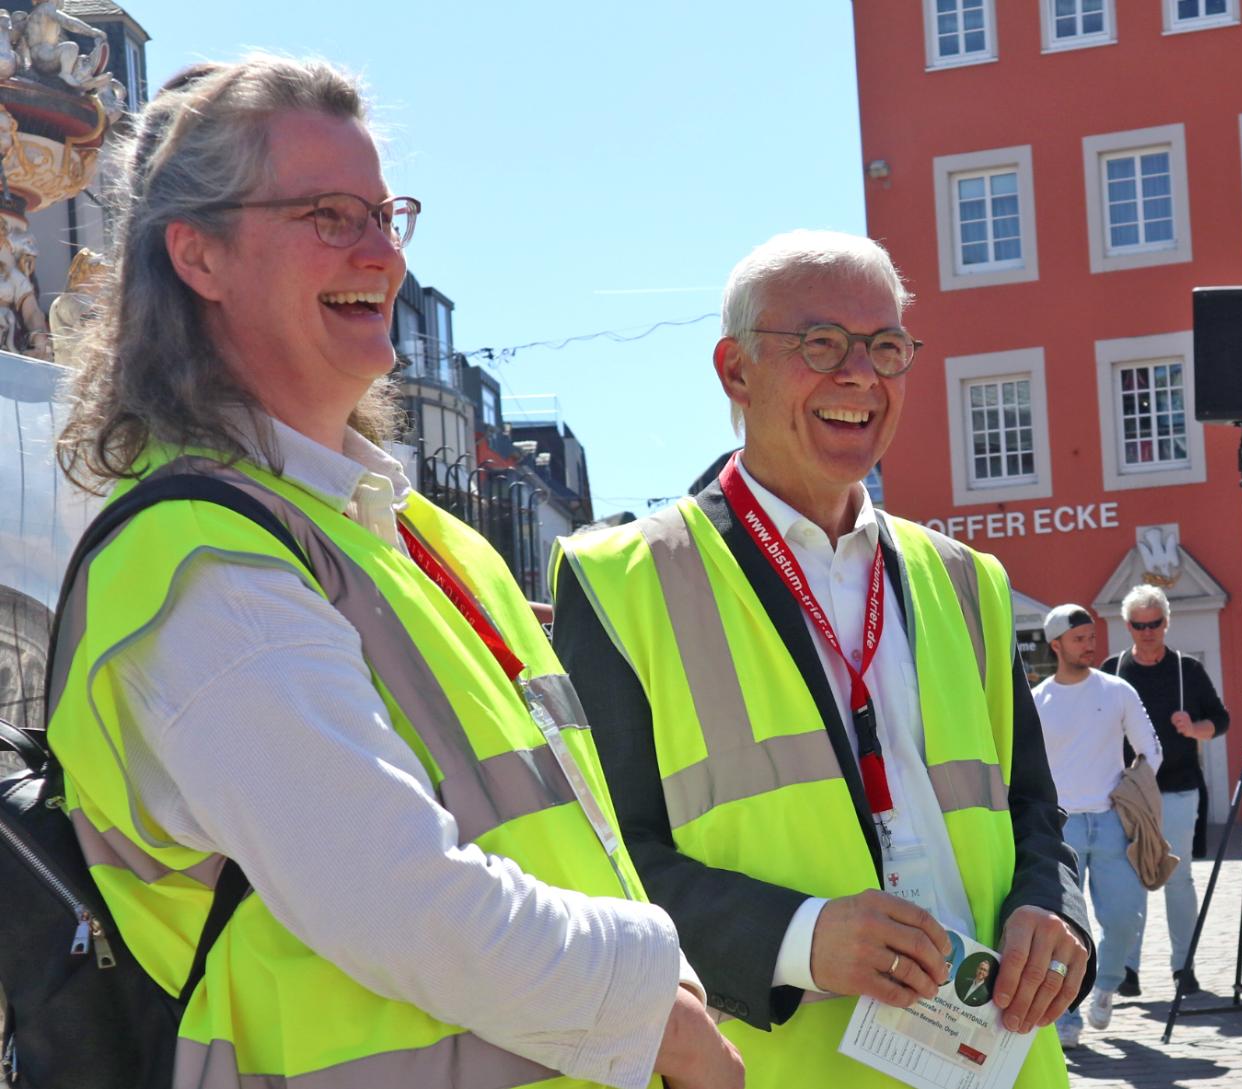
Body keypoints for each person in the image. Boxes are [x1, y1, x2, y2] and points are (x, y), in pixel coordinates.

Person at [46, 57, 739, 1089]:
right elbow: (397, 898)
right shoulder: (201, 562)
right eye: (329, 215)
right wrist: (655, 1006)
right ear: (199, 256)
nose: (384, 257)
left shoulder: (420, 537)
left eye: (386, 215)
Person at [551, 229, 1089, 1089]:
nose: (860, 376)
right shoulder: (620, 580)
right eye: (820, 344)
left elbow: (1033, 810)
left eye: (885, 347)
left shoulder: (966, 579)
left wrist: (1052, 912)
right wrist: (799, 938)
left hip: (1001, 1063)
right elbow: (601, 868)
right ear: (735, 371)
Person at [1032, 604, 1161, 1046]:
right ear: (1056, 645)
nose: (1090, 644)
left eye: (1092, 637)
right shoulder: (1038, 701)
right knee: (1065, 927)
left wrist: (1133, 790)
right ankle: (1066, 1012)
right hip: (1060, 826)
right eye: (1079, 638)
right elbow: (1024, 765)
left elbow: (1150, 749)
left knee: (1126, 917)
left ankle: (1105, 986)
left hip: (1112, 822)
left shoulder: (1117, 690)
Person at [1101, 584, 1228, 996]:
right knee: (1130, 878)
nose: (1147, 632)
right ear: (1128, 626)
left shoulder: (1186, 670)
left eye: (1154, 623)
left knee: (1178, 878)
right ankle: (1127, 970)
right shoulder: (1113, 669)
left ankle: (1183, 967)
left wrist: (1194, 728)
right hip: (1127, 792)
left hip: (1178, 787)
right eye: (1139, 625)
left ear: (1167, 622)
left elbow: (1220, 720)